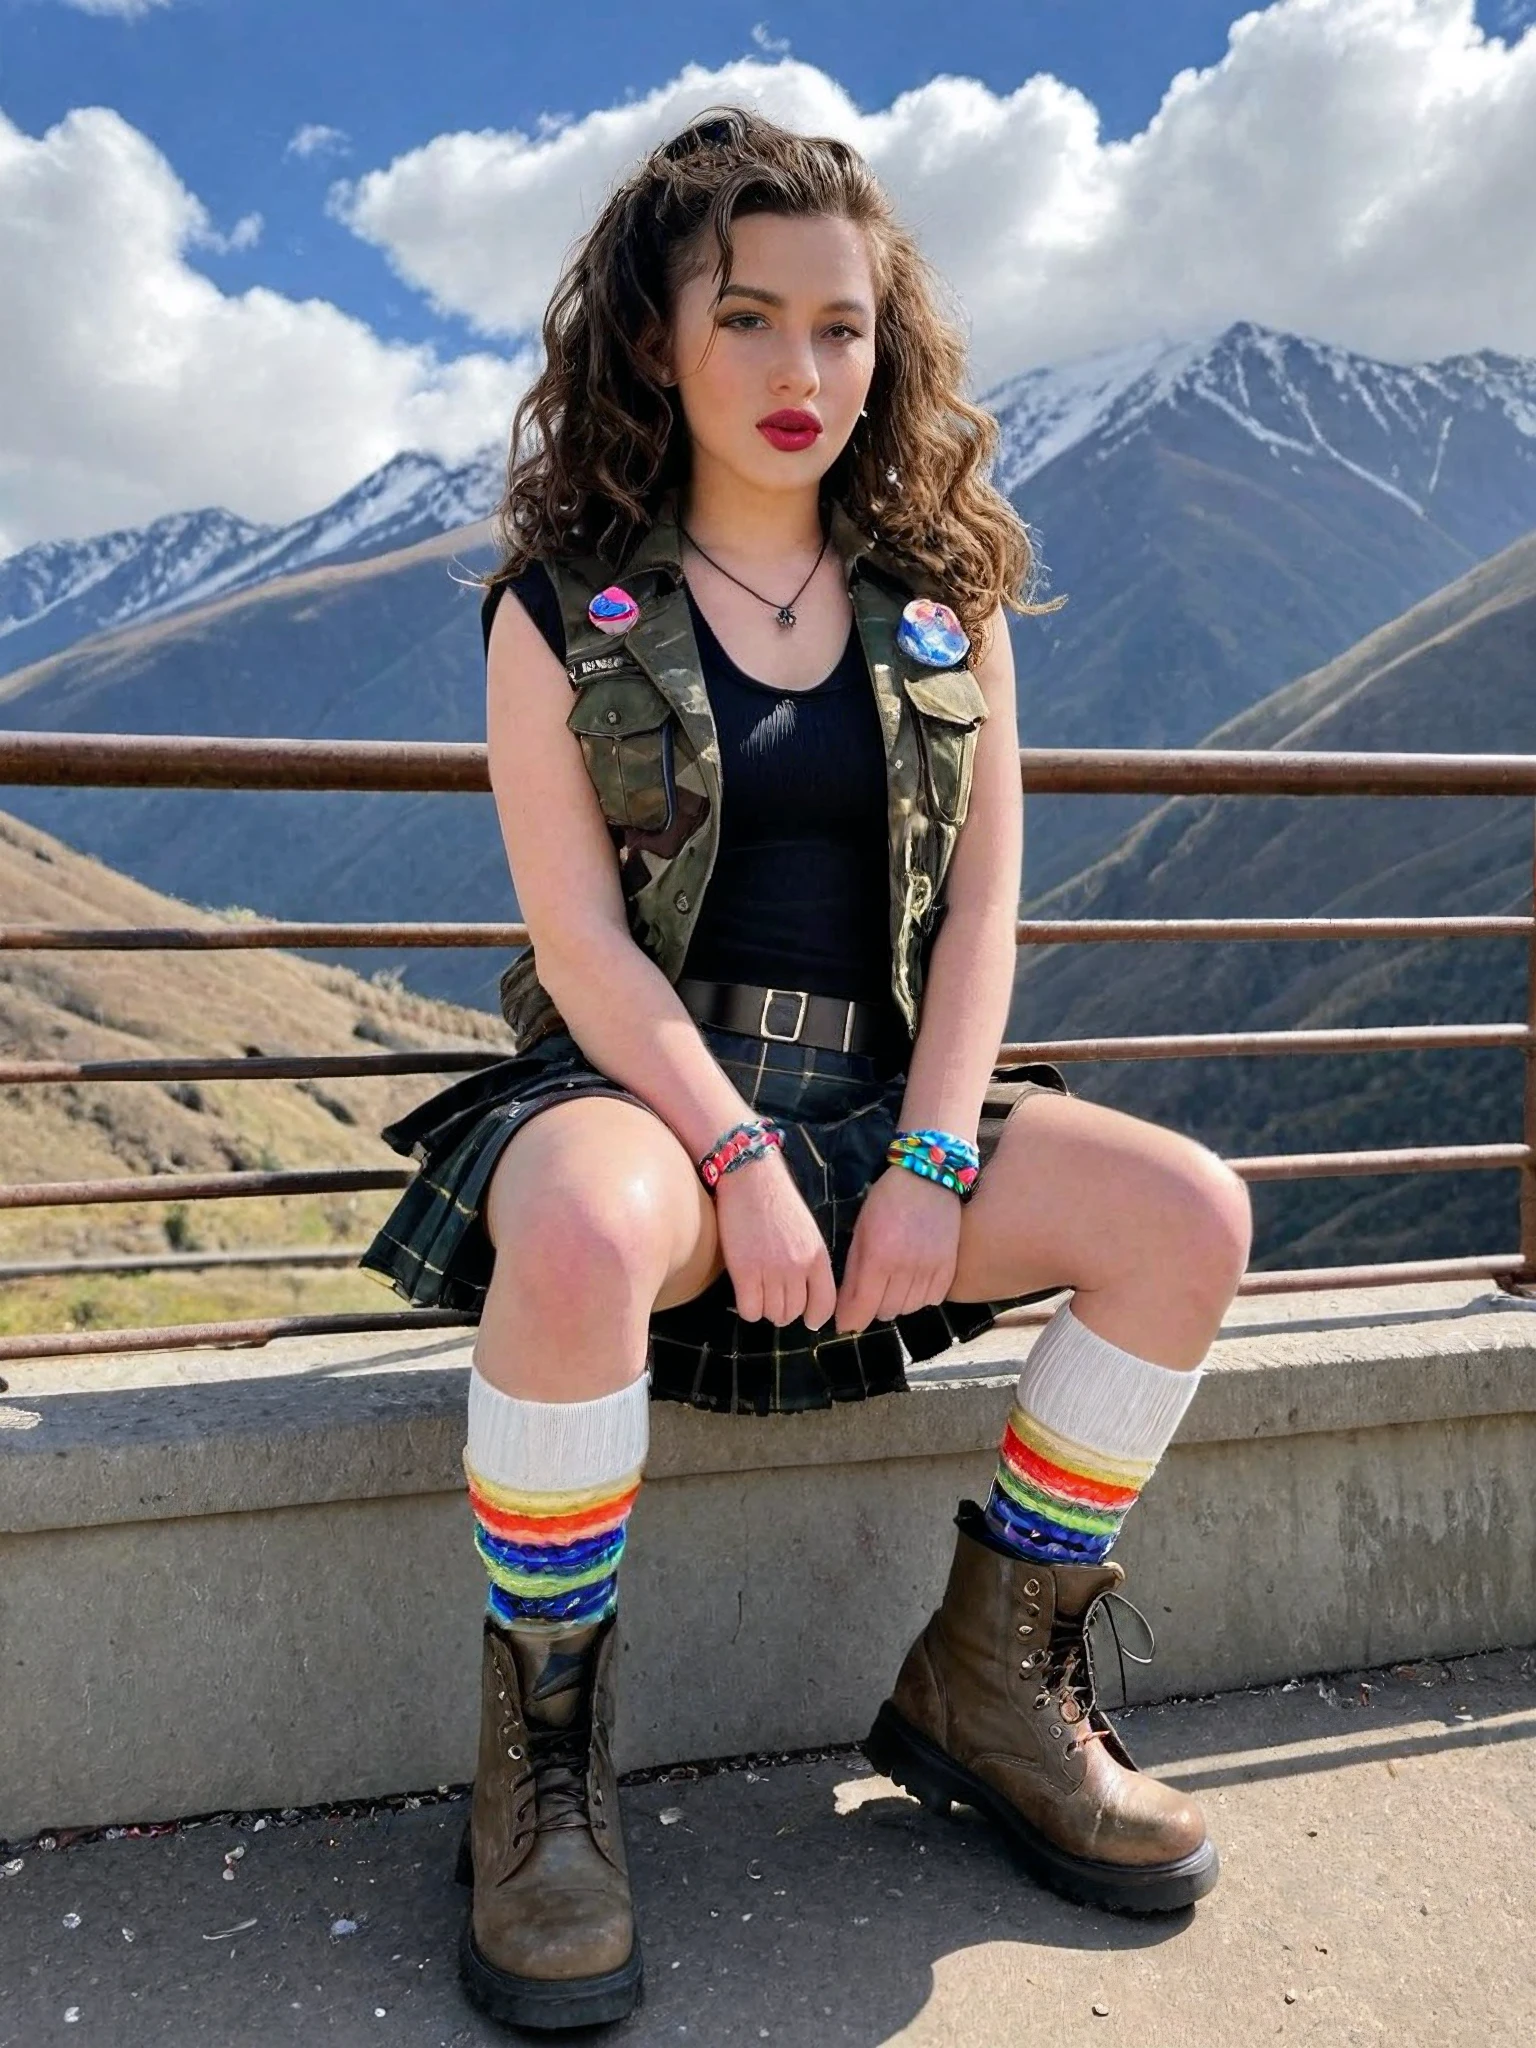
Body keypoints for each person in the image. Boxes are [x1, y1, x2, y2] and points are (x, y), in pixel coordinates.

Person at [361, 105, 1253, 2034]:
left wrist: (930, 1164)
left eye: (842, 326)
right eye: (749, 316)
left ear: (886, 344)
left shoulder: (949, 604)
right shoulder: (558, 609)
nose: (802, 368)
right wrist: (737, 1157)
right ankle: (542, 1772)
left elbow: (986, 920)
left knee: (1190, 1213)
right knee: (578, 1227)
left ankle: (992, 1682)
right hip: (647, 1101)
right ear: (656, 337)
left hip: (885, 1110)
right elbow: (584, 951)